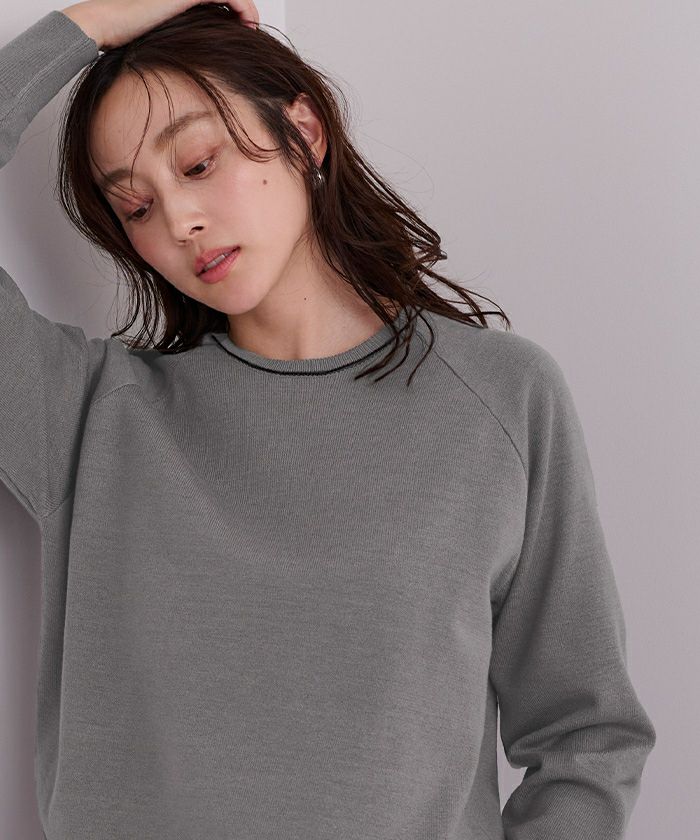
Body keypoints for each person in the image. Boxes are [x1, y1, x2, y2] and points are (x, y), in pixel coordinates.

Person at [0, 2, 656, 839]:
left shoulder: (501, 398)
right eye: (136, 208)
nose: (178, 221)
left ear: (303, 133)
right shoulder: (87, 414)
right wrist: (97, 20)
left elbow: (586, 733)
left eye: (198, 163)